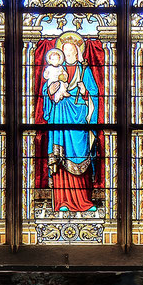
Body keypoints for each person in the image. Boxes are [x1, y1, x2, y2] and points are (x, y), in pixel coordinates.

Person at [43, 33, 99, 214]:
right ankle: (62, 201)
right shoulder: (57, 69)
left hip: (80, 116)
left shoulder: (84, 70)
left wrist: (85, 91)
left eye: (71, 50)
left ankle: (83, 200)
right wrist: (51, 90)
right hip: (60, 117)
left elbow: (94, 93)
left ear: (77, 52)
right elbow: (46, 92)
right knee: (61, 157)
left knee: (81, 154)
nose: (68, 53)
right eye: (65, 50)